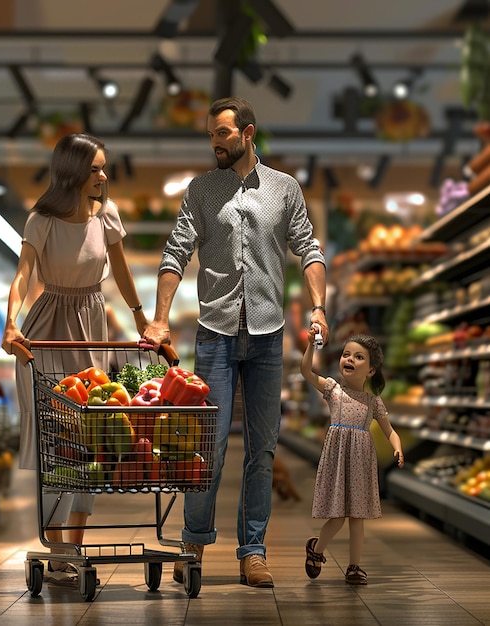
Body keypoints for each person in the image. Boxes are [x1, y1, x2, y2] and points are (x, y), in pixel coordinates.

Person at [143, 96, 328, 588]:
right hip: (216, 334)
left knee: (262, 449)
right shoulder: (202, 190)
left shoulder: (284, 189)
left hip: (268, 336)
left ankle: (253, 552)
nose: (214, 143)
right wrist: (160, 320)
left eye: (222, 134)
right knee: (208, 445)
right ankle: (194, 544)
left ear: (248, 133)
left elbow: (309, 246)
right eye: (210, 135)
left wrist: (317, 307)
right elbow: (176, 252)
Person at [1, 133, 147, 584]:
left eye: (104, 168)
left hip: (91, 323)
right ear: (73, 172)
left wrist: (143, 320)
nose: (103, 176)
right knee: (54, 436)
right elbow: (23, 274)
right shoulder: (41, 219)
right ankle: (58, 547)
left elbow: (120, 270)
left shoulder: (108, 217)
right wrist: (11, 324)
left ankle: (72, 547)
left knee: (91, 438)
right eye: (96, 168)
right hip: (46, 329)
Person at [301, 331, 404, 585]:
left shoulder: (373, 401)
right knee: (337, 515)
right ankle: (317, 549)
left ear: (370, 370)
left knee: (357, 517)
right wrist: (309, 347)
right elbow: (307, 372)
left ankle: (354, 566)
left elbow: (389, 430)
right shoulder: (333, 390)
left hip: (361, 461)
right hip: (338, 459)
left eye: (359, 357)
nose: (349, 359)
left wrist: (397, 446)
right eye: (346, 354)